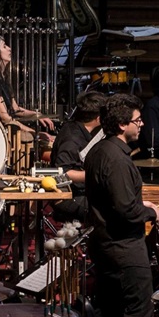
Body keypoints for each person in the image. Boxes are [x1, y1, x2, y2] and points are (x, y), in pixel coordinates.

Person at [84, 93, 159, 317]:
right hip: (124, 247)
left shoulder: (99, 151)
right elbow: (125, 210)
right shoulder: (115, 158)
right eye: (137, 120)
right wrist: (150, 211)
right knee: (137, 313)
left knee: (107, 310)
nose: (141, 125)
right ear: (120, 124)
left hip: (105, 244)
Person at [0, 34, 55, 136]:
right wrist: (34, 133)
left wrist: (37, 114)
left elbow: (15, 109)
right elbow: (5, 118)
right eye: (4, 46)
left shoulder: (2, 77)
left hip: (6, 131)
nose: (9, 49)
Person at [50, 91, 106, 222]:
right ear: (98, 118)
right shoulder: (72, 138)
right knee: (111, 211)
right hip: (68, 196)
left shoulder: (78, 128)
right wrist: (97, 175)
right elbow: (63, 172)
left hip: (81, 191)